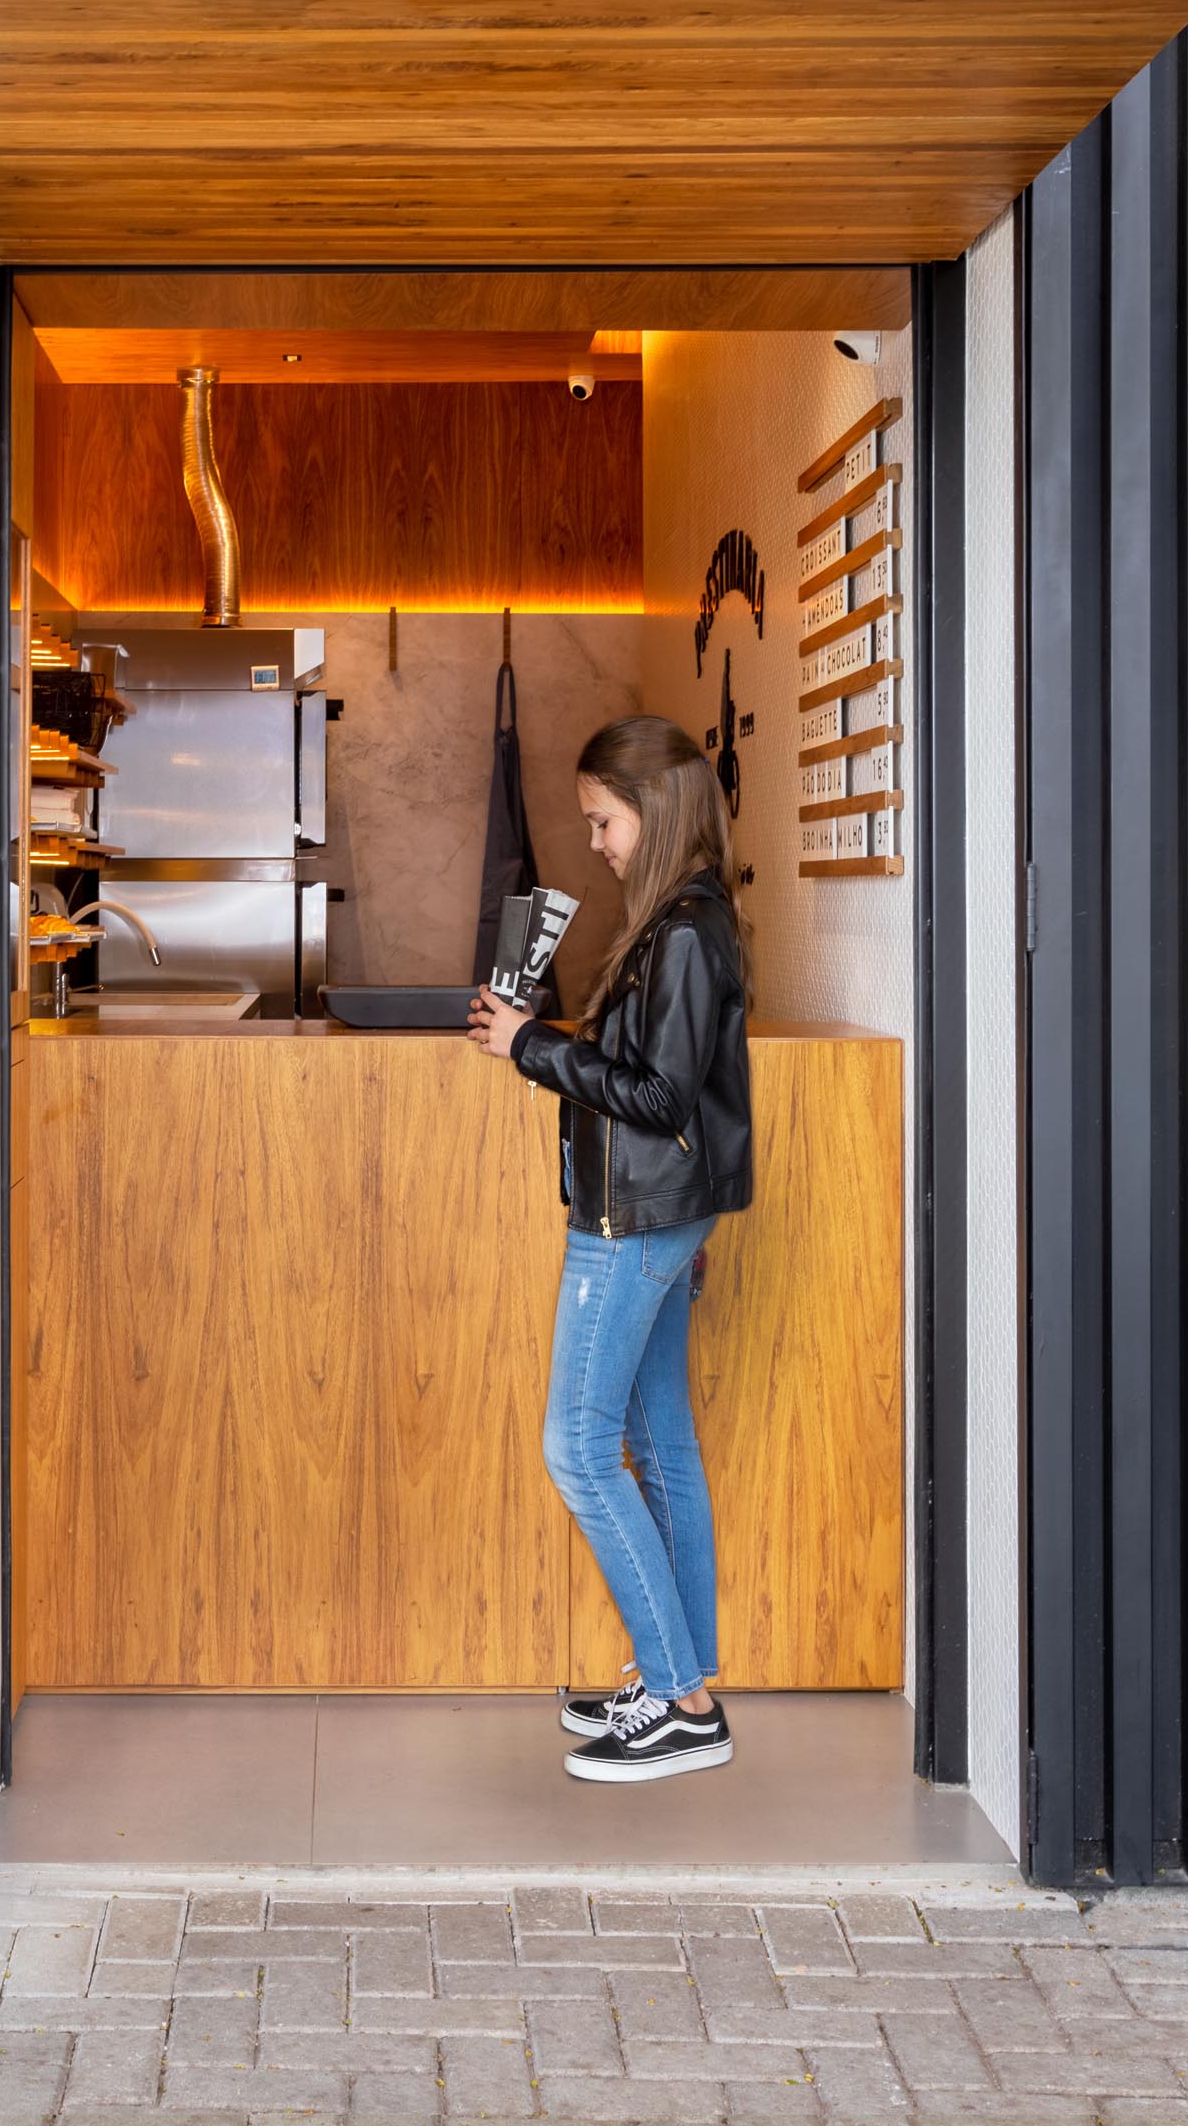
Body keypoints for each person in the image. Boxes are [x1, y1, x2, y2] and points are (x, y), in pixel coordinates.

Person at [468, 714, 753, 1782]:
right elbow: (664, 1078)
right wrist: (545, 1033)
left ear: (656, 808)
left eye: (603, 819)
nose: (593, 840)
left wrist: (529, 1046)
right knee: (660, 1443)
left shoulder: (683, 931)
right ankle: (682, 1678)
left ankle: (681, 1702)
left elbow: (657, 1096)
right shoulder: (684, 919)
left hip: (635, 1218)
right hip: (661, 1215)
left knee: (581, 1450)